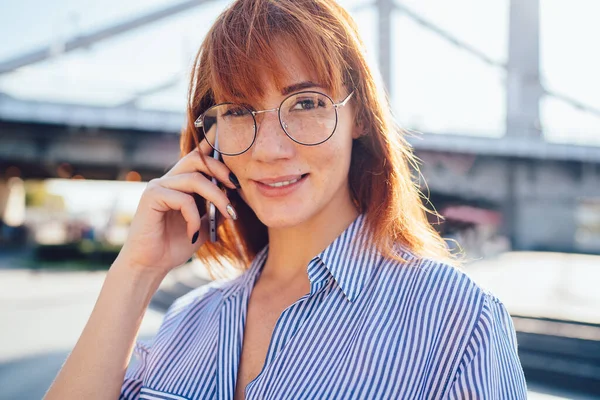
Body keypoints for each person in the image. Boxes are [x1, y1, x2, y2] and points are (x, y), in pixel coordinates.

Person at [45, 0, 527, 398]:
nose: (270, 149)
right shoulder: (188, 319)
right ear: (211, 138)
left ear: (359, 117)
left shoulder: (457, 320)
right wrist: (137, 271)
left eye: (307, 104)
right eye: (236, 110)